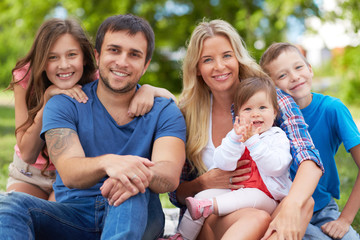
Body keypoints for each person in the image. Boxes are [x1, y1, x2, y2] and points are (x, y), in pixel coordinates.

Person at [0, 13, 186, 240]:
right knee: (8, 205)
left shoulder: (163, 110)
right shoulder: (63, 102)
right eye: (114, 50)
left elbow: (168, 173)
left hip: (136, 211)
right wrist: (110, 162)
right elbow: (69, 170)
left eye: (134, 54)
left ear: (146, 64)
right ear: (97, 56)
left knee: (129, 187)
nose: (122, 62)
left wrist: (132, 174)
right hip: (74, 214)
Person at [168, 19, 323, 240]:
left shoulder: (271, 99)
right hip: (214, 216)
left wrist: (291, 204)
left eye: (227, 55)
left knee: (303, 202)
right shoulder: (187, 113)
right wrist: (204, 182)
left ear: (238, 58)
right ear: (197, 68)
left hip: (266, 209)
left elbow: (308, 156)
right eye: (208, 60)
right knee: (256, 217)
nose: (220, 66)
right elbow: (176, 193)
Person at [165, 76, 292, 240]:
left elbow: (276, 167)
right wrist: (233, 141)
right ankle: (182, 236)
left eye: (262, 108)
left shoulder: (277, 136)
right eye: (248, 109)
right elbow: (222, 163)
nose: (255, 114)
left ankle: (211, 206)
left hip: (267, 198)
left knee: (252, 194)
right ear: (238, 114)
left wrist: (253, 142)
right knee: (201, 197)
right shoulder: (236, 136)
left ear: (274, 112)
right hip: (235, 191)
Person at [260, 42, 360, 240]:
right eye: (282, 75)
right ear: (271, 87)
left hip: (324, 209)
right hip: (282, 210)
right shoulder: (269, 119)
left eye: (298, 67)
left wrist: (344, 220)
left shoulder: (333, 109)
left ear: (310, 69)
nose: (295, 77)